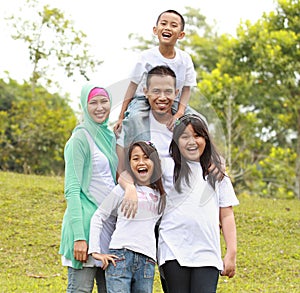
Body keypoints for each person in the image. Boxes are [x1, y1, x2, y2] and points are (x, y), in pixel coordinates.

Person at [157, 114, 239, 293]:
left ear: (206, 139)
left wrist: (231, 253)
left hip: (207, 252)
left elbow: (226, 215)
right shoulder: (166, 167)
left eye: (197, 136)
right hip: (172, 249)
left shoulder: (217, 175)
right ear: (176, 141)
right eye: (184, 136)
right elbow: (136, 168)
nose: (191, 141)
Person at [59, 84, 120, 293]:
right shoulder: (79, 139)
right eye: (93, 102)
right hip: (84, 226)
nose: (99, 107)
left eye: (104, 101)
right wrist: (79, 237)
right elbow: (72, 189)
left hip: (108, 229)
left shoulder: (110, 137)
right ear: (84, 106)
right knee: (80, 289)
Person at [88, 141, 166, 293]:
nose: (141, 162)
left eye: (146, 157)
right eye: (135, 158)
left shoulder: (160, 195)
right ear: (130, 164)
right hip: (120, 256)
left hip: (147, 259)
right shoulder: (122, 190)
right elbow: (98, 217)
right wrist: (95, 251)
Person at [113, 9, 197, 135]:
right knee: (134, 119)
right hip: (145, 99)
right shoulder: (146, 57)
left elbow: (186, 89)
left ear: (181, 35)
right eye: (163, 24)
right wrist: (120, 116)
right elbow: (132, 86)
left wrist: (179, 113)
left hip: (172, 99)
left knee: (199, 121)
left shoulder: (185, 59)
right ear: (155, 30)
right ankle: (143, 149)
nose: (167, 28)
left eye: (173, 25)